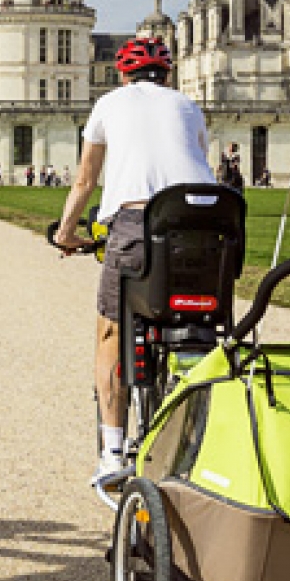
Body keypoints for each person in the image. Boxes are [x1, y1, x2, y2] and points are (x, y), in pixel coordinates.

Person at [53, 36, 216, 490]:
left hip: (138, 222)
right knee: (207, 317)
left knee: (111, 332)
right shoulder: (188, 106)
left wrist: (66, 234)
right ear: (167, 75)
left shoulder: (108, 104)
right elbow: (199, 164)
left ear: (124, 75)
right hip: (208, 226)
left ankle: (112, 452)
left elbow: (86, 179)